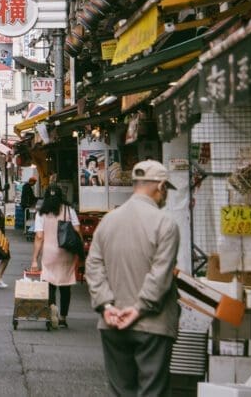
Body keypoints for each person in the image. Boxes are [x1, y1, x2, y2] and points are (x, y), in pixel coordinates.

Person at [85, 159, 180, 397]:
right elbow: (160, 273)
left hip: (112, 322)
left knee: (120, 391)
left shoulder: (108, 220)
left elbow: (93, 265)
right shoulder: (165, 223)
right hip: (152, 325)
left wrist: (106, 305)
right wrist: (139, 308)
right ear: (160, 186)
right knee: (152, 391)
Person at [29, 184, 80, 329]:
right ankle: (63, 317)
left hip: (49, 252)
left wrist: (34, 259)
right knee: (65, 284)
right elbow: (77, 231)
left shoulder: (41, 213)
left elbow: (39, 237)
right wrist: (78, 251)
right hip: (67, 252)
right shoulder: (69, 210)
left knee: (49, 282)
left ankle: (52, 307)